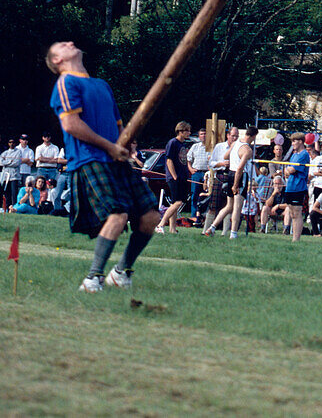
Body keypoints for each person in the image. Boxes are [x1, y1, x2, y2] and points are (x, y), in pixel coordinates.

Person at [46, 39, 159, 292]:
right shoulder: (66, 82)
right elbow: (71, 125)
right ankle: (93, 278)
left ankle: (121, 272)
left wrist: (127, 144)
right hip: (89, 159)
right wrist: (110, 147)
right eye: (63, 45)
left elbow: (119, 123)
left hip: (115, 159)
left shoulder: (101, 85)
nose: (71, 42)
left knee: (151, 216)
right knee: (117, 214)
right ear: (57, 60)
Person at [156, 121, 190, 234]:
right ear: (180, 131)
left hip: (182, 177)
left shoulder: (182, 144)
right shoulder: (173, 143)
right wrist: (174, 176)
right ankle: (161, 224)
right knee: (178, 203)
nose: (189, 133)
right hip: (174, 177)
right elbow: (169, 160)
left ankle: (172, 228)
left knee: (175, 203)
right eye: (187, 131)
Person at [204, 125, 238, 235]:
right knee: (213, 206)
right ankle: (206, 230)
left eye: (237, 136)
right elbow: (211, 163)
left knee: (228, 206)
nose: (235, 138)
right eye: (233, 136)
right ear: (228, 135)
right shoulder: (219, 147)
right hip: (220, 176)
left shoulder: (239, 148)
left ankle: (224, 233)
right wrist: (221, 163)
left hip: (232, 177)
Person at [229, 126, 258, 238]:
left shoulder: (235, 143)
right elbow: (240, 168)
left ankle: (212, 226)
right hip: (239, 176)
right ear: (253, 136)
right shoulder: (247, 150)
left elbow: (226, 156)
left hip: (231, 172)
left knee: (229, 206)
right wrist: (236, 184)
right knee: (237, 207)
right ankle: (233, 233)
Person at [284, 132, 311, 242]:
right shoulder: (294, 155)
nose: (293, 143)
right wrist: (288, 170)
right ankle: (293, 237)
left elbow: (291, 170)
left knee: (297, 213)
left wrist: (289, 170)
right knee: (291, 212)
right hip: (290, 186)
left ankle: (296, 239)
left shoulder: (304, 155)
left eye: (294, 141)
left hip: (298, 187)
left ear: (300, 141)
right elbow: (286, 171)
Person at [186, 128, 209, 221]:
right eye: (201, 134)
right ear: (199, 136)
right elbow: (188, 159)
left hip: (207, 174)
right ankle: (194, 216)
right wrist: (190, 169)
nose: (203, 136)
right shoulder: (195, 146)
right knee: (195, 194)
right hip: (197, 173)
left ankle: (204, 217)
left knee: (206, 195)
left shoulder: (211, 147)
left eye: (205, 134)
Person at [0, 137, 21, 209]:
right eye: (10, 142)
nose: (11, 144)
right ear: (8, 143)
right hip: (6, 176)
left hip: (14, 175)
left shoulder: (18, 152)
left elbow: (16, 163)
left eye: (13, 142)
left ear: (15, 143)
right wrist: (10, 161)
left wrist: (6, 163)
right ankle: (7, 207)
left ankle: (15, 207)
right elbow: (1, 162)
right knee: (7, 193)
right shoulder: (5, 153)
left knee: (14, 193)